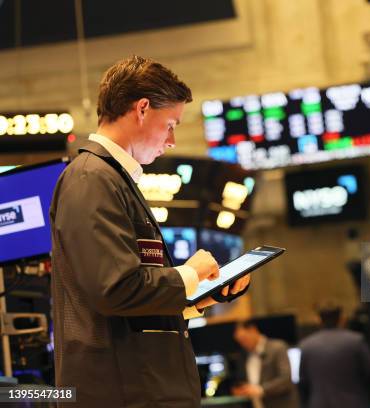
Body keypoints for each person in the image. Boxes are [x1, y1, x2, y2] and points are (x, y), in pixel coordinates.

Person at [50, 56, 250, 407]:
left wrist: (206, 294)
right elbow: (115, 289)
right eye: (171, 123)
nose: (172, 140)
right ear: (142, 109)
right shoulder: (91, 178)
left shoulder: (110, 179)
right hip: (121, 392)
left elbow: (131, 305)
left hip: (139, 387)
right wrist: (189, 273)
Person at [298, 303, 370, 408]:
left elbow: (303, 384)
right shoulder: (356, 341)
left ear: (318, 320)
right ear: (342, 319)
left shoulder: (306, 345)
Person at [231, 319, 299, 408]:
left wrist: (261, 390)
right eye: (240, 342)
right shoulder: (246, 355)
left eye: (244, 339)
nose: (243, 344)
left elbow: (286, 379)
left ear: (253, 330)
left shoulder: (278, 347)